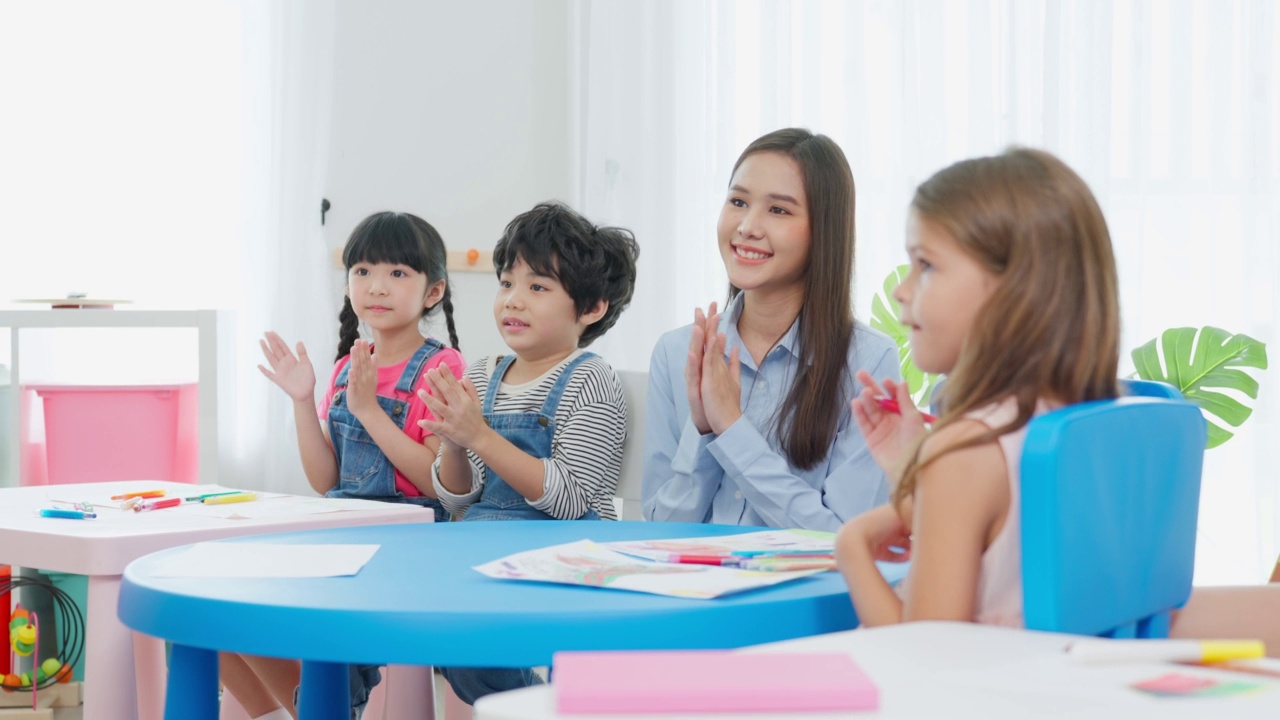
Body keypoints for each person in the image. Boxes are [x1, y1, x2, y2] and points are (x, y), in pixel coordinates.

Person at [836, 147, 1280, 652]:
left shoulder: (963, 450)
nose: (903, 289)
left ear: (1013, 293)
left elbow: (925, 656)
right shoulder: (1090, 417)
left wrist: (851, 547)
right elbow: (1014, 550)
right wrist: (911, 470)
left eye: (926, 264)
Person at [222, 211, 466, 720]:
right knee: (223, 597)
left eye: (398, 273)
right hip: (347, 531)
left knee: (323, 630)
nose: (376, 285)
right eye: (362, 271)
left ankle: (320, 707)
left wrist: (370, 412)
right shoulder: (343, 368)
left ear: (432, 292)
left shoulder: (443, 368)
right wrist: (301, 398)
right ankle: (298, 710)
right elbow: (326, 481)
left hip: (415, 543)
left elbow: (439, 484)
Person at [418, 201, 639, 703]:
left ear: (591, 308)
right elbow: (458, 500)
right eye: (506, 283)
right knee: (448, 636)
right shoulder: (482, 373)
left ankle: (535, 706)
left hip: (566, 562)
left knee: (473, 644)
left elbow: (568, 500)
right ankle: (528, 705)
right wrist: (454, 445)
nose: (513, 300)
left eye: (537, 287)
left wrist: (480, 436)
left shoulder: (590, 379)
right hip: (483, 556)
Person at [642, 127, 900, 531]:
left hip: (802, 593)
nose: (747, 225)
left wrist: (731, 428)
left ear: (823, 232)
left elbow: (845, 538)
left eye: (778, 210)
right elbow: (659, 528)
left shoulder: (869, 361)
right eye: (738, 201)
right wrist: (704, 430)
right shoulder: (677, 352)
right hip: (691, 590)